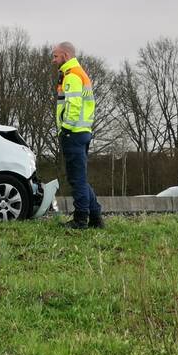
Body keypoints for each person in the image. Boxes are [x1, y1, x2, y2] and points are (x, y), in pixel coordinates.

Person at [52, 41, 103, 229]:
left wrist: (65, 128)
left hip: (72, 133)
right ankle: (96, 217)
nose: (53, 59)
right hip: (82, 132)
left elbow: (73, 105)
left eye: (56, 56)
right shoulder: (78, 73)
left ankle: (81, 219)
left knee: (76, 179)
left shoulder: (72, 76)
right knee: (80, 177)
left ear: (65, 55)